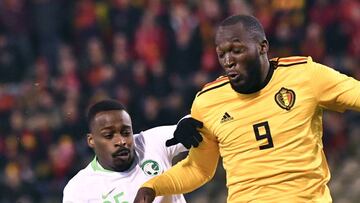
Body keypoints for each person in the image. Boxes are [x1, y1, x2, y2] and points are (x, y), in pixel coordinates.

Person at [133, 14, 360, 203]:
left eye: (236, 50)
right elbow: (199, 169)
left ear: (262, 47)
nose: (228, 61)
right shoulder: (208, 102)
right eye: (222, 54)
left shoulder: (306, 75)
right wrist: (152, 187)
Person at [62, 99, 202, 203]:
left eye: (126, 132)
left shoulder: (150, 143)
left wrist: (187, 124)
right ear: (91, 140)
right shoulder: (78, 189)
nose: (121, 141)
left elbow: (193, 123)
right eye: (109, 135)